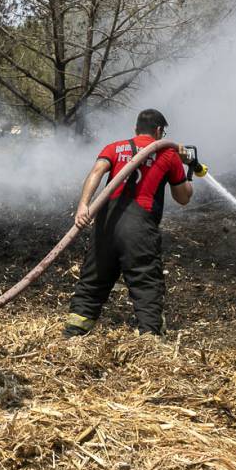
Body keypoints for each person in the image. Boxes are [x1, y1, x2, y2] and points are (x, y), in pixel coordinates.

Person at [63, 108, 194, 338]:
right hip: (139, 227)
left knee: (94, 279)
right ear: (159, 131)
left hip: (105, 223)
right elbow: (183, 197)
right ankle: (149, 339)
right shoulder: (168, 154)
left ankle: (74, 334)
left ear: (135, 129)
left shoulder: (115, 147)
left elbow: (96, 171)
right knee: (146, 282)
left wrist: (83, 205)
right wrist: (187, 167)